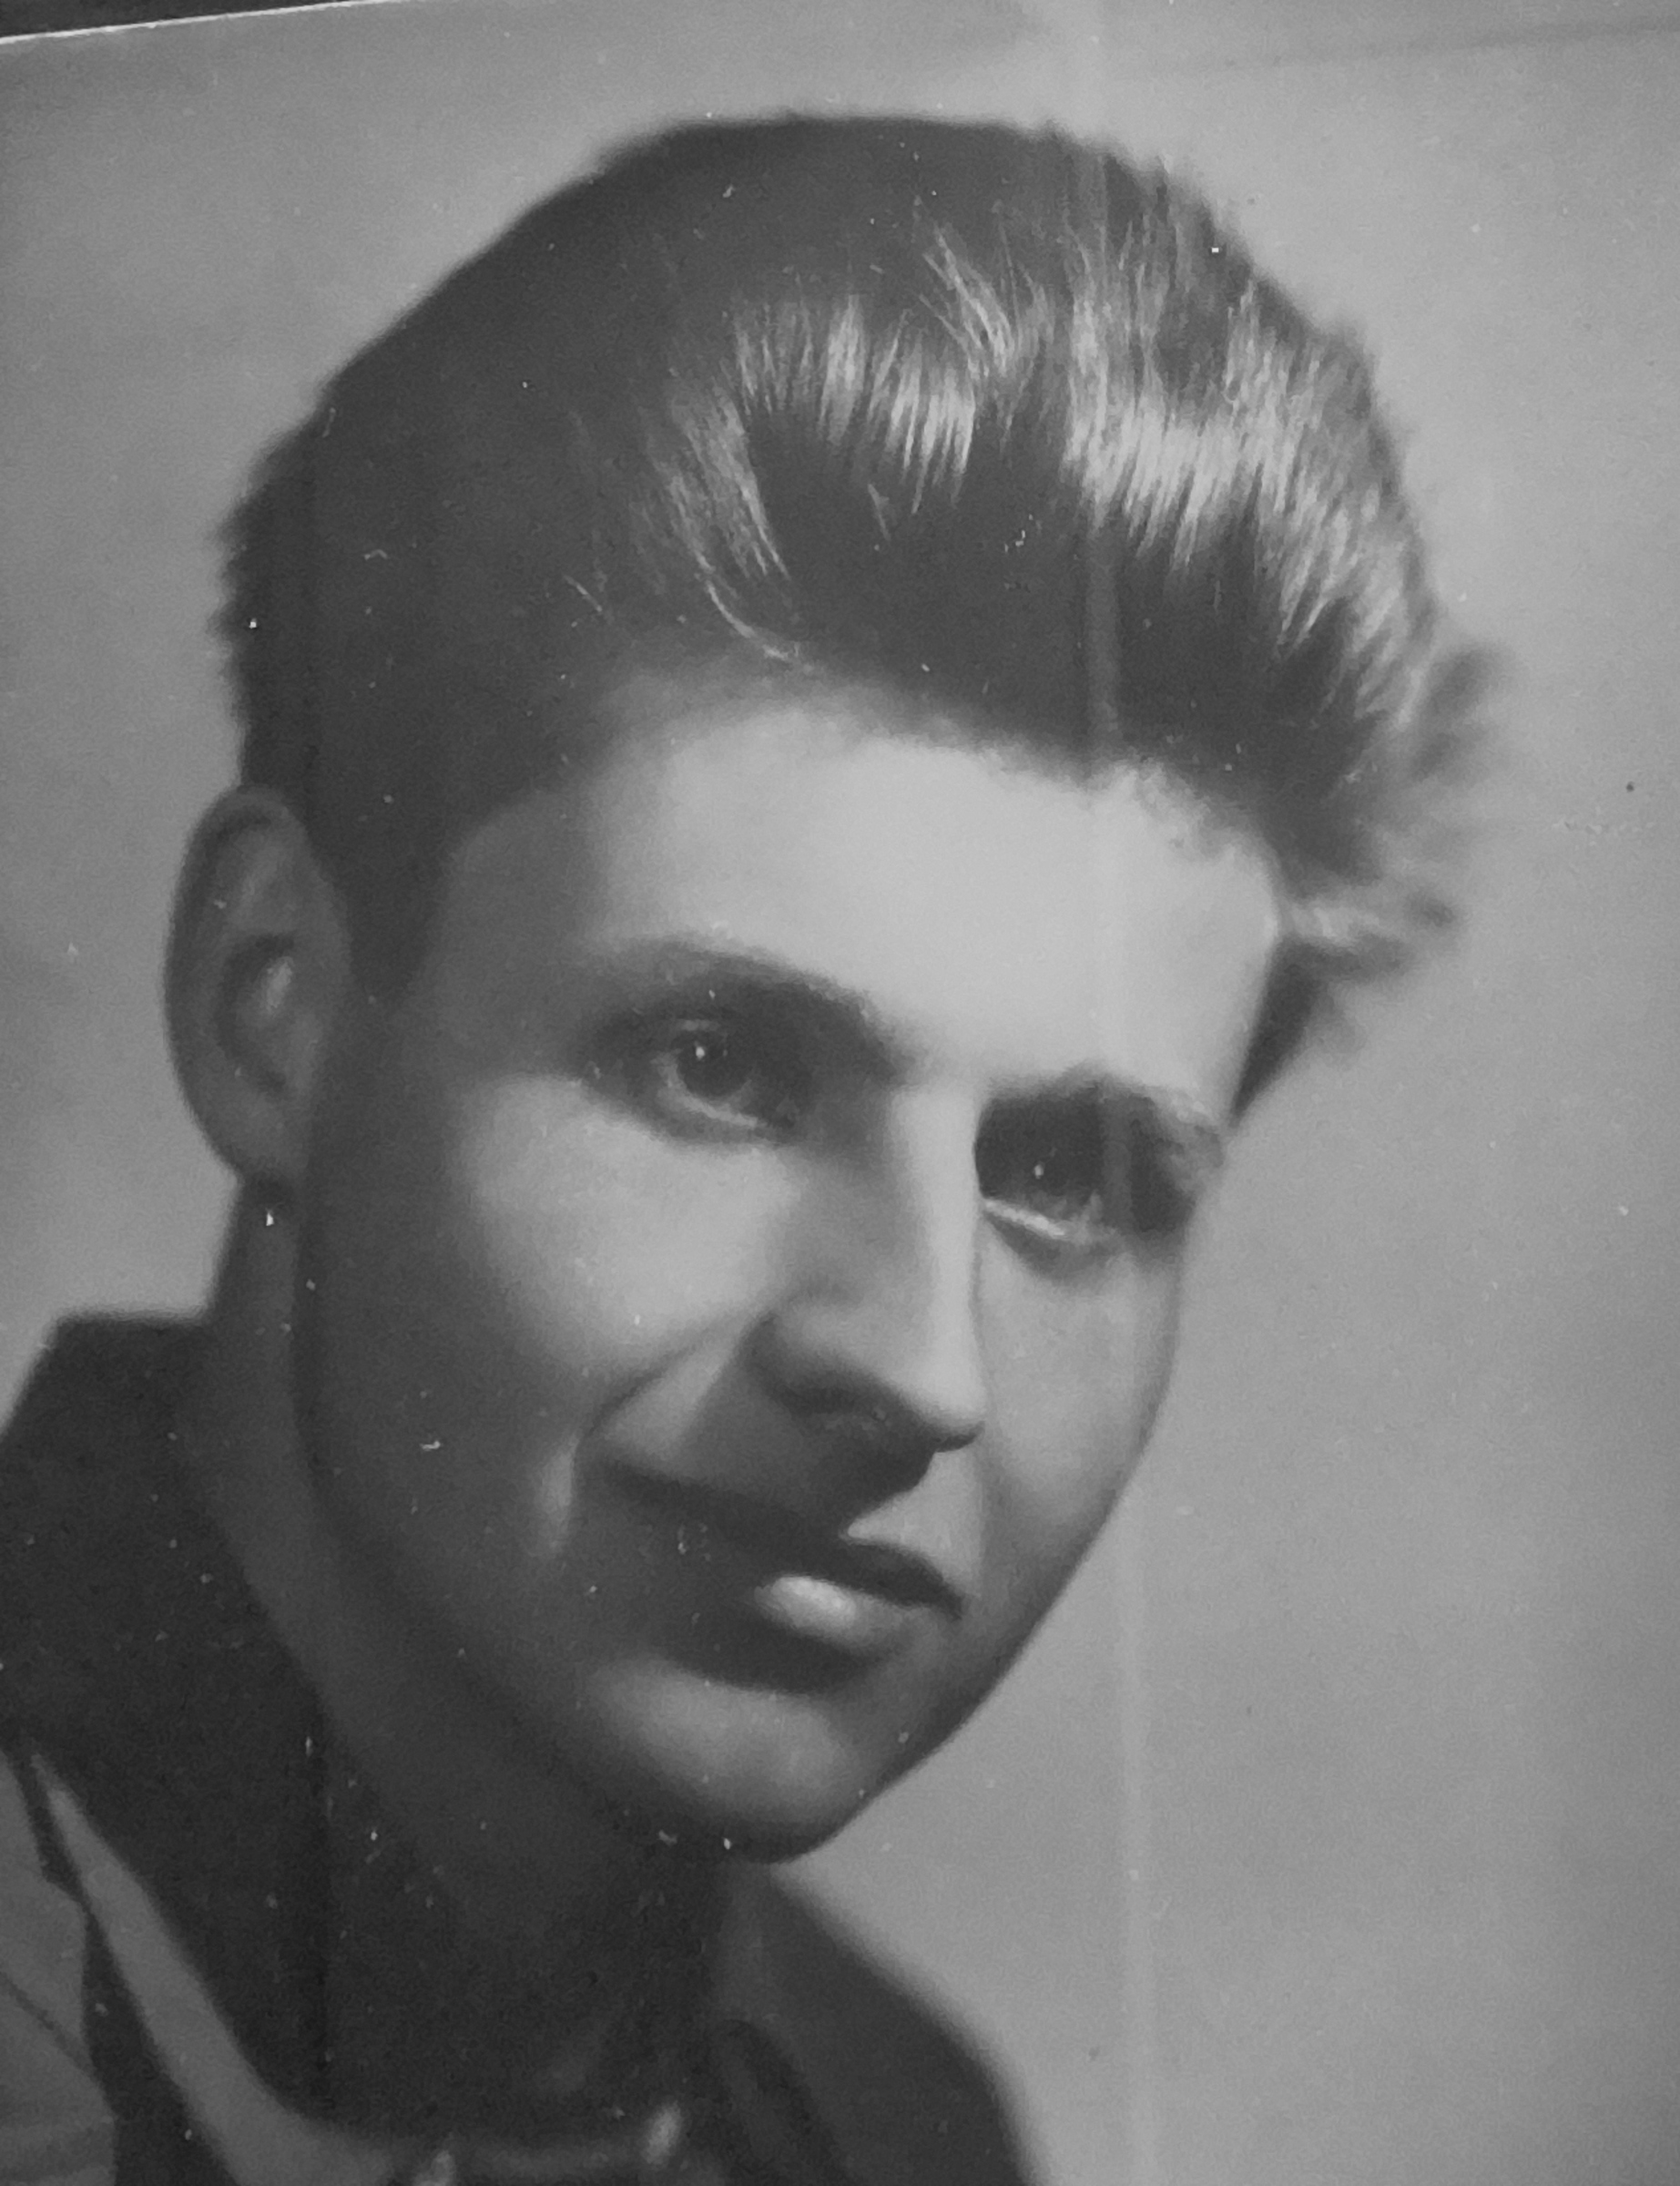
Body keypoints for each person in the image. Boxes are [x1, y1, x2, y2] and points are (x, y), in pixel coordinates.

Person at [0, 114, 1481, 2186]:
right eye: (718, 1064)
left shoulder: (893, 2126)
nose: (920, 1368)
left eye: (1067, 1179)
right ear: (277, 1003)